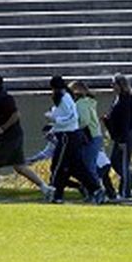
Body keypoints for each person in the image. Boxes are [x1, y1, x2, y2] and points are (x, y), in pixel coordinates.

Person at [0, 74, 55, 203]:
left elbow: (16, 115)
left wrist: (3, 128)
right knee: (19, 166)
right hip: (12, 136)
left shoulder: (5, 97)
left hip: (9, 137)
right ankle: (45, 188)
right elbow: (2, 115)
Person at [46, 75, 104, 204]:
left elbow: (72, 118)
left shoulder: (64, 98)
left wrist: (55, 120)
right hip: (69, 135)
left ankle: (56, 194)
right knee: (75, 167)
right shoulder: (65, 98)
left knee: (59, 165)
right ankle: (95, 188)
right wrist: (53, 126)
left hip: (68, 136)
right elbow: (64, 115)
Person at [101, 73, 132, 200]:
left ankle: (126, 192)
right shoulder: (119, 98)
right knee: (115, 162)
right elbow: (115, 118)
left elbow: (125, 122)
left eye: (113, 83)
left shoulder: (125, 100)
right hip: (119, 136)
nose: (112, 86)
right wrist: (107, 120)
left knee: (123, 164)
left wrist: (122, 140)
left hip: (125, 137)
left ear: (120, 85)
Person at [69, 81, 104, 184]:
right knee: (90, 165)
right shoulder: (89, 101)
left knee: (89, 167)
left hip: (90, 137)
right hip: (96, 136)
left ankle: (96, 191)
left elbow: (84, 121)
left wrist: (72, 127)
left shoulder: (81, 103)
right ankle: (95, 189)